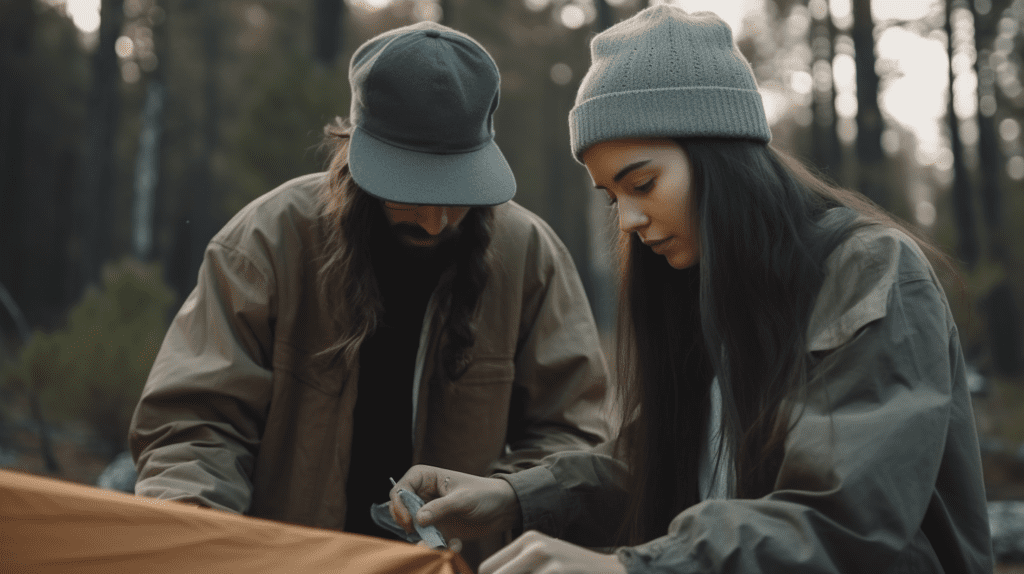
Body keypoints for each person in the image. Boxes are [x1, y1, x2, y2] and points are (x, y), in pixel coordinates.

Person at [387, 6, 994, 573]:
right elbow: (660, 463)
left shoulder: (868, 271)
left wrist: (631, 567)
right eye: (613, 197)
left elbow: (844, 519)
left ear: (720, 156)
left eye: (643, 184)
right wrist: (511, 495)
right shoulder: (701, 285)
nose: (628, 220)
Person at [129, 21, 611, 566]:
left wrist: (496, 502)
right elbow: (194, 427)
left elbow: (573, 438)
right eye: (411, 189)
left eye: (457, 190)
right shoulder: (265, 242)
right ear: (355, 156)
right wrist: (208, 542)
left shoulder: (531, 258)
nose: (435, 221)